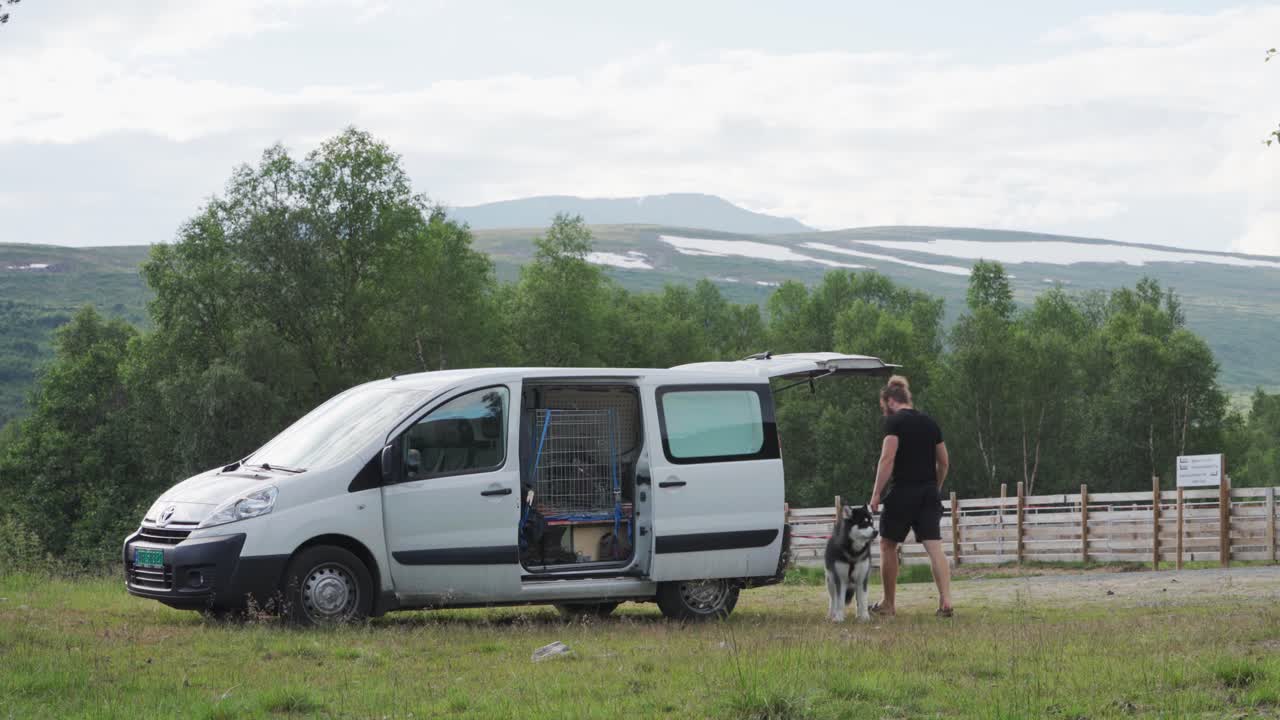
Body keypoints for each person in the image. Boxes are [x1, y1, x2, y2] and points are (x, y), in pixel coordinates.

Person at [868, 375, 953, 617]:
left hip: (903, 492)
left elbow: (887, 459)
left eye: (884, 408)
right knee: (934, 547)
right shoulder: (930, 422)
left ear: (890, 401)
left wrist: (876, 494)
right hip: (928, 492)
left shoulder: (895, 423)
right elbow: (944, 462)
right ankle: (946, 601)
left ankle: (888, 604)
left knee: (887, 544)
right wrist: (934, 487)